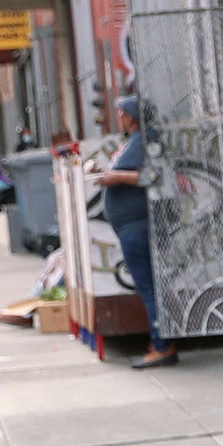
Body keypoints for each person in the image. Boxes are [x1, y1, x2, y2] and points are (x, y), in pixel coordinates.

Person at [94, 97, 176, 368]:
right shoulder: (132, 141)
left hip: (139, 225)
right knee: (148, 286)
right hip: (130, 225)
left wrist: (115, 177)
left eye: (122, 113)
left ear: (134, 116)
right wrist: (105, 173)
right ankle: (159, 342)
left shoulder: (147, 139)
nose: (118, 117)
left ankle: (162, 345)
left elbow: (153, 176)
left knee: (149, 287)